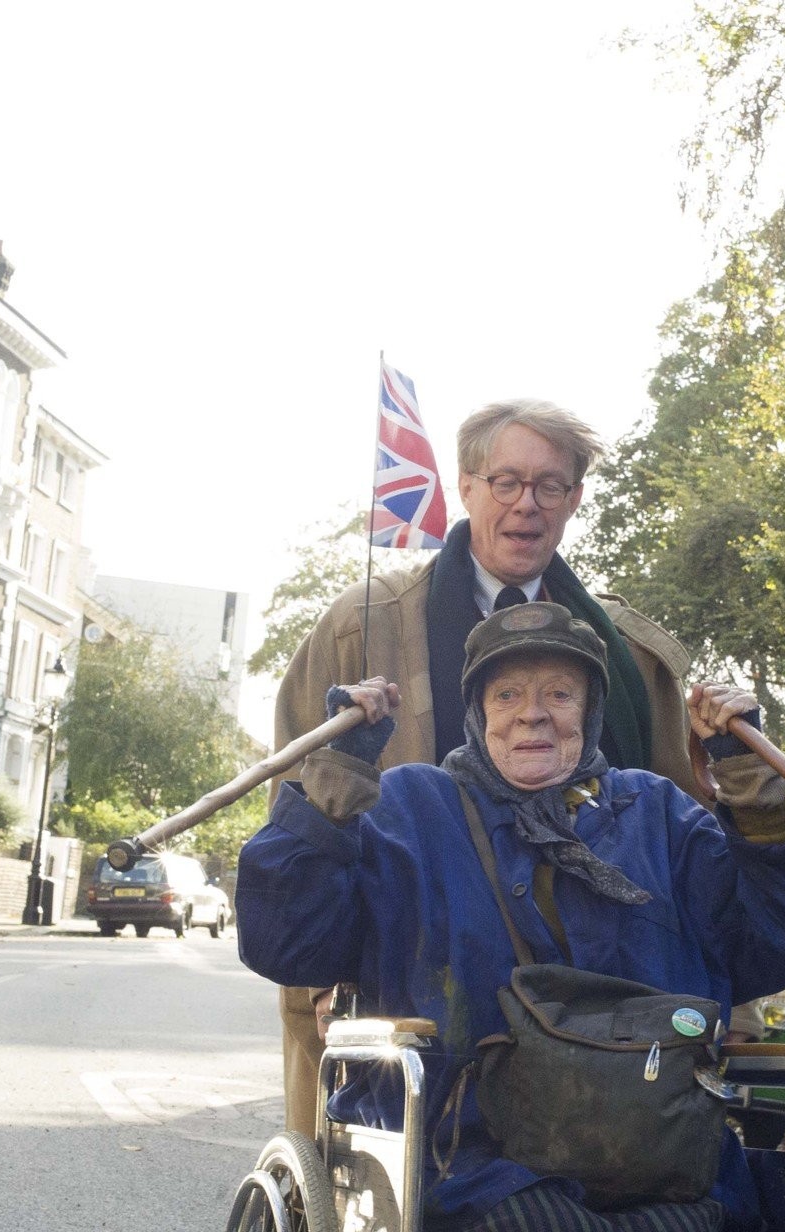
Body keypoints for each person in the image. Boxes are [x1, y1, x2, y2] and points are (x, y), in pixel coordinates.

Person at [239, 603, 785, 1232]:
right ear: (477, 711)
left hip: (652, 1151)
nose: (533, 715)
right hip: (468, 1153)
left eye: (559, 694)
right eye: (508, 695)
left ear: (590, 712)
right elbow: (287, 943)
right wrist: (332, 787)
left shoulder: (658, 816)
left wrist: (758, 794)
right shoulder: (408, 811)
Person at [272, 398, 699, 1134]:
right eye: (505, 482)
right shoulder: (362, 627)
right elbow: (298, 806)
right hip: (400, 970)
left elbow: (691, 836)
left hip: (592, 991)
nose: (525, 505)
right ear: (465, 487)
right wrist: (322, 971)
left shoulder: (633, 655)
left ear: (575, 500)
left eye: (549, 486)